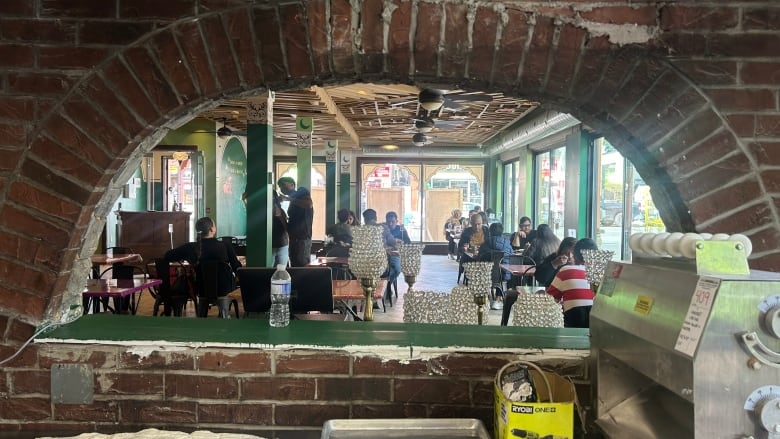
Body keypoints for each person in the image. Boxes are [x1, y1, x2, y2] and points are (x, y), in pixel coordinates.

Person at [500, 236, 576, 326]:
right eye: (567, 253)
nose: (570, 256)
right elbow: (540, 277)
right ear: (561, 251)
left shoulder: (581, 264)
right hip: (550, 296)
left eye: (573, 253)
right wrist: (554, 264)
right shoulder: (554, 258)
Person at [164, 216, 242, 297]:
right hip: (224, 288)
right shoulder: (225, 245)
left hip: (201, 288)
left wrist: (185, 258)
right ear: (212, 229)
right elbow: (237, 267)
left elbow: (167, 256)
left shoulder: (190, 247)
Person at [546, 238, 599, 328]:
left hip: (573, 327)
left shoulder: (566, 271)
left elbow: (549, 301)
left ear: (575, 256)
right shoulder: (602, 273)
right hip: (598, 326)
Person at [277, 176, 314, 267]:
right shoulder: (292, 203)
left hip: (302, 240)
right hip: (293, 239)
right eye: (280, 186)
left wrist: (287, 199)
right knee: (294, 267)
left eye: (284, 185)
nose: (282, 188)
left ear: (292, 185)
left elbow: (308, 204)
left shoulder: (301, 192)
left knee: (301, 269)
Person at [382, 211, 411, 302]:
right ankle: (385, 286)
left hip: (396, 254)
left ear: (397, 221)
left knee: (397, 269)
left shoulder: (401, 230)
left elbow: (408, 243)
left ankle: (385, 285)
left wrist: (401, 242)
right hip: (383, 254)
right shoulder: (383, 229)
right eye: (388, 222)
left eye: (392, 222)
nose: (390, 224)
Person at [271, 190, 290, 267]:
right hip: (269, 246)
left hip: (282, 245)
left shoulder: (281, 211)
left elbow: (287, 228)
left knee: (281, 274)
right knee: (268, 272)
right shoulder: (261, 211)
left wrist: (280, 216)